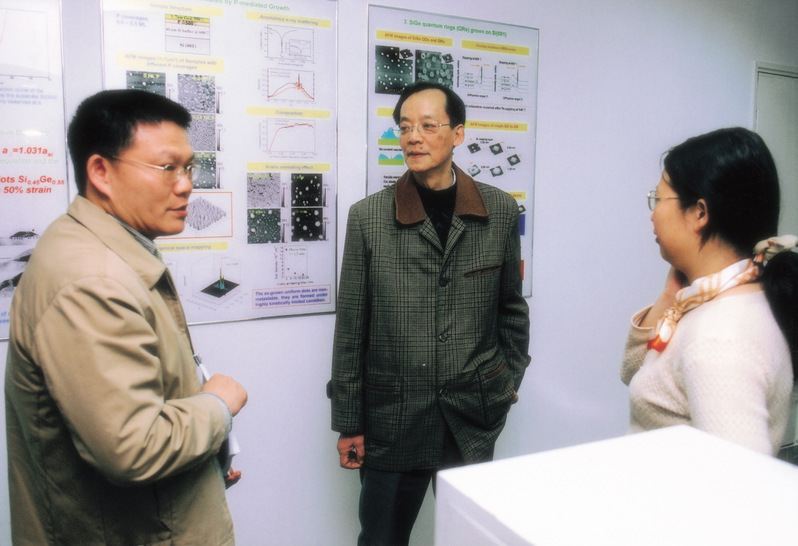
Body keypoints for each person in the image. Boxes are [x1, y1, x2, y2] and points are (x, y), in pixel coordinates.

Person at [4, 89, 248, 544]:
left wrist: (204, 465)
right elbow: (133, 448)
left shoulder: (103, 246)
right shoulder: (92, 281)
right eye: (167, 167)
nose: (186, 185)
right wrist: (217, 407)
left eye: (189, 167)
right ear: (101, 171)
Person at [329, 81, 530, 545]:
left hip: (470, 414)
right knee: (382, 538)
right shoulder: (368, 218)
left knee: (472, 537)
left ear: (458, 134)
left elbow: (511, 309)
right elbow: (351, 329)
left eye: (427, 126)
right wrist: (350, 422)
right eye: (404, 128)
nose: (413, 137)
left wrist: (506, 381)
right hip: (393, 415)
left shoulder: (499, 210)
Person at [621, 127, 797, 455]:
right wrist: (669, 297)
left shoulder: (720, 338)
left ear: (700, 212)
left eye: (658, 198)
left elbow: (741, 478)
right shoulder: (713, 297)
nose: (653, 213)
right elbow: (635, 371)